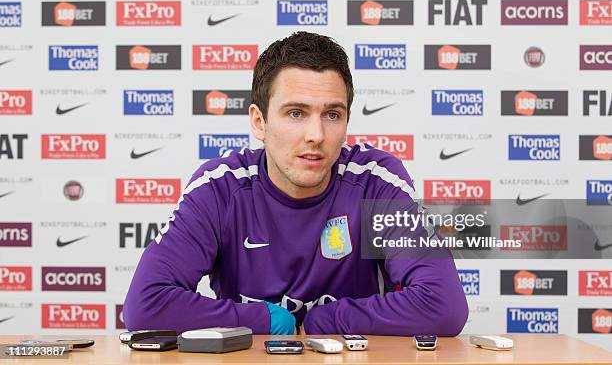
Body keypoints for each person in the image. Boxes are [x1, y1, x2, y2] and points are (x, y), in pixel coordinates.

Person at [123, 31, 468, 335]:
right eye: (296, 113)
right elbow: (146, 306)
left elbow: (444, 306)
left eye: (332, 115)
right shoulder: (219, 188)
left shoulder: (377, 182)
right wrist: (266, 321)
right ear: (259, 122)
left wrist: (325, 321)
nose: (316, 135)